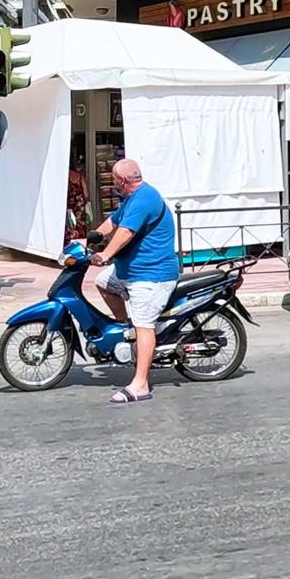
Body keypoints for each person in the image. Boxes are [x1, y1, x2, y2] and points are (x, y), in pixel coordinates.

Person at [89, 158, 177, 405]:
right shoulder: (131, 199)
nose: (112, 182)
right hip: (129, 271)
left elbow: (126, 231)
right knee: (103, 282)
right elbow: (114, 222)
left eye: (114, 179)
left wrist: (105, 254)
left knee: (143, 325)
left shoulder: (144, 199)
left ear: (122, 180)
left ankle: (141, 384)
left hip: (151, 275)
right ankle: (125, 327)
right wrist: (92, 237)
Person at [65, 162, 90, 244]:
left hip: (69, 210)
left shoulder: (65, 176)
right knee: (80, 231)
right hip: (79, 210)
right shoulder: (80, 176)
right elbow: (86, 195)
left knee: (69, 230)